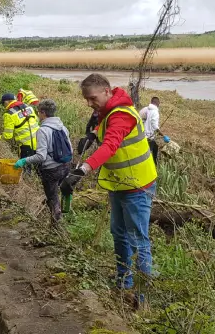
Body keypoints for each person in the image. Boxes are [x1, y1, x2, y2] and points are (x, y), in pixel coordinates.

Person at [61, 73, 157, 306]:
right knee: (119, 234)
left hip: (137, 186)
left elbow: (111, 145)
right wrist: (90, 135)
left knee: (138, 241)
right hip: (119, 184)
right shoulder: (108, 110)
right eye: (86, 99)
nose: (89, 103)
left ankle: (143, 298)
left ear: (107, 91)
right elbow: (103, 129)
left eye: (92, 98)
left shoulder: (122, 113)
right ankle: (124, 282)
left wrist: (82, 170)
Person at [14, 99, 71, 224]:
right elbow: (70, 149)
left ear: (43, 113)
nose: (38, 115)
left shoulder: (43, 130)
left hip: (51, 171)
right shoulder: (63, 127)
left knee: (53, 199)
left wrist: (24, 161)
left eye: (38, 112)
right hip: (65, 167)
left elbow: (41, 156)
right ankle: (63, 216)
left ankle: (55, 229)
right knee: (58, 194)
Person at [0, 93, 39, 161]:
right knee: (38, 168)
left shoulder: (9, 114)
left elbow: (8, 136)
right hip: (40, 142)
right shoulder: (29, 108)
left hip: (26, 147)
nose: (3, 106)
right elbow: (37, 121)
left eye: (3, 103)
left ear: (6, 102)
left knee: (26, 169)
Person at [139, 97, 168, 165]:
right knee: (149, 151)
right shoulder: (155, 112)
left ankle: (155, 164)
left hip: (143, 134)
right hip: (149, 136)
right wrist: (163, 136)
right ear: (158, 103)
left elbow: (139, 117)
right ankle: (149, 165)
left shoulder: (145, 109)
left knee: (155, 148)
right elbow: (155, 126)